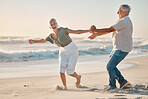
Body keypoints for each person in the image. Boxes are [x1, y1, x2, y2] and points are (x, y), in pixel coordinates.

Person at [29, 18, 89, 90]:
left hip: (72, 50)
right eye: (52, 24)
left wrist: (88, 30)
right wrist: (34, 41)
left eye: (54, 23)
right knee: (61, 71)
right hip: (63, 51)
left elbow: (76, 32)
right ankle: (65, 87)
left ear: (57, 24)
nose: (53, 25)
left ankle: (78, 77)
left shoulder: (63, 30)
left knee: (70, 72)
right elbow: (43, 40)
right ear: (50, 27)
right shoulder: (50, 36)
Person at [88, 4, 133, 90]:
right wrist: (96, 34)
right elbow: (110, 30)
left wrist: (95, 30)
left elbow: (109, 29)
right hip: (118, 48)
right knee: (111, 66)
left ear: (124, 12)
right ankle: (123, 82)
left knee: (110, 66)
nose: (117, 12)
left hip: (122, 48)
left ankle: (112, 86)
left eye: (119, 11)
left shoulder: (124, 21)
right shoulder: (122, 20)